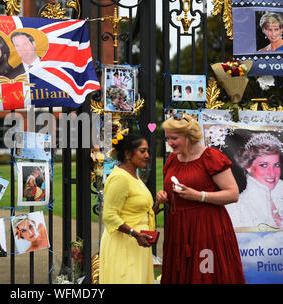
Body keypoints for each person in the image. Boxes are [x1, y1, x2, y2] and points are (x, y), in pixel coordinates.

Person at [156, 113, 245, 283]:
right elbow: (176, 195)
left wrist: (199, 196)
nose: (169, 143)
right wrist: (164, 197)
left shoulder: (210, 157)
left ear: (189, 136)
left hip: (207, 229)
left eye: (174, 138)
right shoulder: (172, 160)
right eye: (167, 138)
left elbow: (233, 194)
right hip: (178, 229)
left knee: (206, 272)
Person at [99, 132, 163, 284]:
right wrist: (135, 234)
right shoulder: (120, 178)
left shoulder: (134, 176)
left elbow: (135, 211)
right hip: (124, 245)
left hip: (137, 245)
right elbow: (109, 216)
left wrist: (156, 207)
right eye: (142, 151)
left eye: (147, 151)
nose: (147, 155)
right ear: (128, 154)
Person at [226, 133, 283, 229]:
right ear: (247, 166)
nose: (272, 173)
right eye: (264, 165)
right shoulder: (236, 208)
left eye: (276, 165)